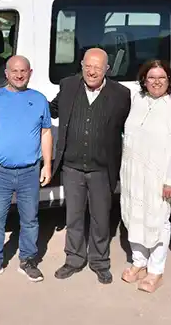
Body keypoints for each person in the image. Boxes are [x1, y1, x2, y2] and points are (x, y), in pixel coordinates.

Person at [51, 48, 131, 285]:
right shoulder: (68, 86)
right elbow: (50, 110)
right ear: (81, 65)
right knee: (73, 217)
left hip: (102, 169)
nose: (92, 71)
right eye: (88, 66)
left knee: (100, 219)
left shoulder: (121, 94)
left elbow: (131, 127)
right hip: (72, 167)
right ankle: (74, 259)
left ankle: (99, 262)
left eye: (98, 67)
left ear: (107, 69)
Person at [0, 55, 52, 284]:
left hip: (30, 171)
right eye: (14, 71)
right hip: (1, 171)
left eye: (23, 71)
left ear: (30, 73)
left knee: (30, 219)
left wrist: (47, 165)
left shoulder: (39, 99)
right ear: (6, 73)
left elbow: (46, 132)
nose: (19, 75)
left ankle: (28, 261)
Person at [119, 59, 171, 293]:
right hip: (133, 172)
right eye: (151, 77)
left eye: (161, 77)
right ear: (144, 80)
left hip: (158, 175)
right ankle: (139, 261)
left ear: (169, 80)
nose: (156, 82)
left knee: (158, 220)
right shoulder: (137, 100)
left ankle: (155, 269)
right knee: (133, 215)